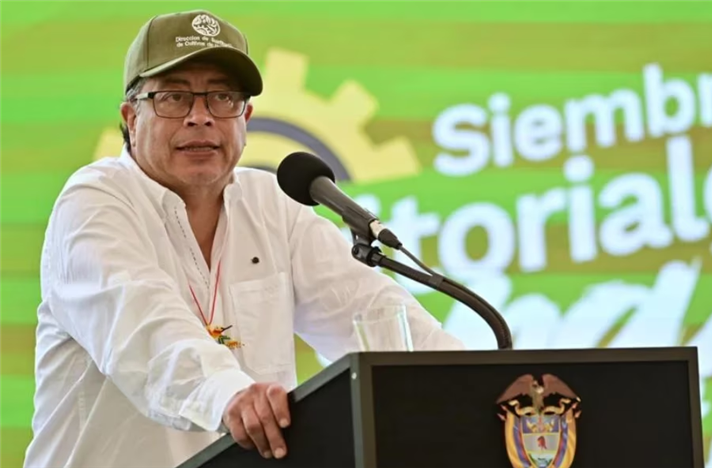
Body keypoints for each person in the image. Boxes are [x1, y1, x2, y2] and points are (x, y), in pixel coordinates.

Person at [23, 9, 465, 468]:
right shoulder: (94, 202)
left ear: (246, 117)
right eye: (174, 97)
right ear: (131, 117)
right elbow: (144, 329)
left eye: (222, 97)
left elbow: (373, 314)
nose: (200, 117)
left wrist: (476, 386)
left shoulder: (273, 204)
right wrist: (229, 395)